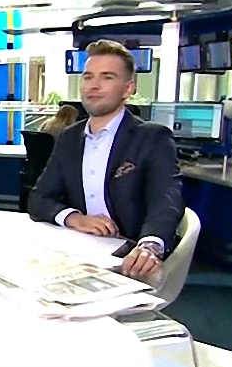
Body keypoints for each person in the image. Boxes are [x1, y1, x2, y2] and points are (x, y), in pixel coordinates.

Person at [27, 39, 183, 283]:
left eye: (107, 77)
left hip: (129, 254)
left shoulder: (152, 137)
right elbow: (39, 198)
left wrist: (149, 246)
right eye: (88, 77)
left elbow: (166, 200)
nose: (94, 85)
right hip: (80, 250)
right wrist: (74, 218)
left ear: (128, 89)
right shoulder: (70, 137)